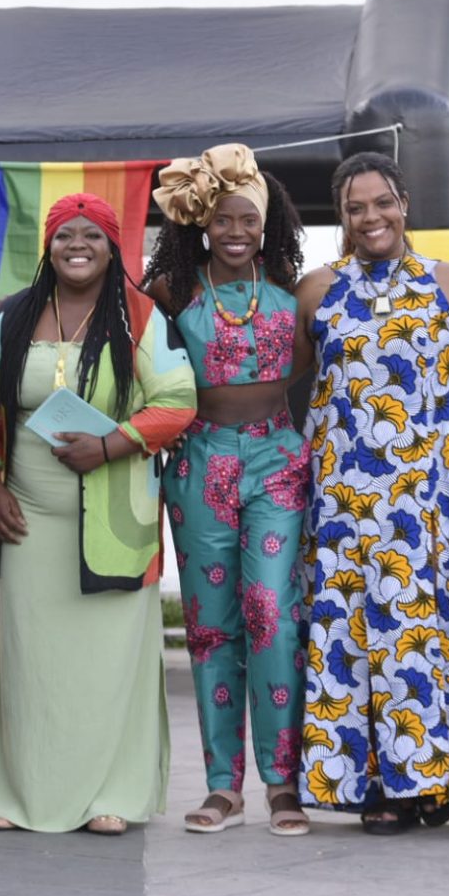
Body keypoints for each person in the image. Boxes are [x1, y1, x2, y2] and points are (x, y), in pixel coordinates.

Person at [297, 151, 449, 833]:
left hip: (431, 499)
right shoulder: (316, 290)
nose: (372, 218)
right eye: (356, 208)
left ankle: (438, 784)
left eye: (383, 203)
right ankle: (379, 786)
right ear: (341, 217)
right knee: (361, 642)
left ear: (404, 205)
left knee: (428, 640)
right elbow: (293, 393)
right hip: (344, 504)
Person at [0, 193, 196, 834]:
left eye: (93, 236)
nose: (78, 245)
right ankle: (23, 797)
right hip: (28, 517)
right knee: (30, 662)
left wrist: (110, 444)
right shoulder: (11, 318)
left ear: (112, 248)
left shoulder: (141, 318)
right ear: (48, 245)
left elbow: (178, 401)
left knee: (108, 663)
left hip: (113, 512)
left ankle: (113, 795)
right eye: (65, 234)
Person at [141, 144, 310, 836]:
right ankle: (222, 787)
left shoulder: (297, 291)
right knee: (212, 627)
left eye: (249, 220)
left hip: (277, 459)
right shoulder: (172, 294)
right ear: (201, 226)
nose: (236, 232)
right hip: (199, 463)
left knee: (273, 612)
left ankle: (282, 783)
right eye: (222, 221)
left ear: (267, 227)